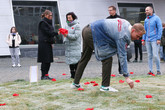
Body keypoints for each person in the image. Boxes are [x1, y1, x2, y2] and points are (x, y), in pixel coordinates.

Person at [71, 18, 146, 92]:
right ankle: (105, 86)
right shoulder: (123, 35)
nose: (137, 39)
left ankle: (75, 83)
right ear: (133, 30)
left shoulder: (127, 24)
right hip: (93, 33)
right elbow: (122, 55)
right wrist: (127, 77)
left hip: (87, 29)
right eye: (138, 36)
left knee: (85, 58)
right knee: (107, 58)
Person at [37, 10, 58, 80]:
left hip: (48, 43)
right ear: (46, 15)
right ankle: (43, 76)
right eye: (50, 15)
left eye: (52, 15)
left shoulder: (48, 23)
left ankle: (46, 75)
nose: (51, 17)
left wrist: (52, 42)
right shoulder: (43, 23)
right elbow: (48, 33)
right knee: (45, 60)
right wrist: (57, 33)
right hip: (44, 44)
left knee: (48, 61)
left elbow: (50, 33)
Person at [142, 6, 162, 75]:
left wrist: (159, 38)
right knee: (149, 56)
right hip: (147, 40)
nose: (146, 12)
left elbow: (160, 29)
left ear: (151, 10)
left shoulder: (157, 18)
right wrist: (143, 39)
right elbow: (144, 30)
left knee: (155, 55)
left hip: (155, 39)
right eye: (145, 10)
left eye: (147, 10)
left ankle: (158, 70)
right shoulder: (146, 20)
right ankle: (150, 70)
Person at [61, 12, 81, 79]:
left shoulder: (77, 25)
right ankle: (72, 75)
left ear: (73, 17)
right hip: (68, 47)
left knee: (76, 62)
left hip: (75, 46)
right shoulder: (66, 25)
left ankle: (77, 75)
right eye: (67, 18)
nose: (68, 19)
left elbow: (76, 36)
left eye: (70, 18)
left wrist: (67, 35)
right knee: (70, 62)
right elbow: (65, 35)